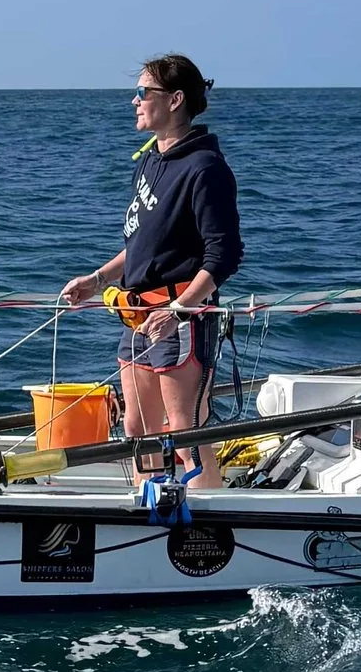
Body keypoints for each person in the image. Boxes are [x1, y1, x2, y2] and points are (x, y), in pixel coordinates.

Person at [59, 55, 244, 484]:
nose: (134, 101)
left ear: (176, 100)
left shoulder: (205, 169)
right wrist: (98, 280)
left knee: (184, 434)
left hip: (178, 319)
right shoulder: (151, 161)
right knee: (138, 429)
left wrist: (180, 309)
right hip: (138, 316)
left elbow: (225, 254)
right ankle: (152, 509)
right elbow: (142, 246)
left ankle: (208, 518)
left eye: (144, 92)